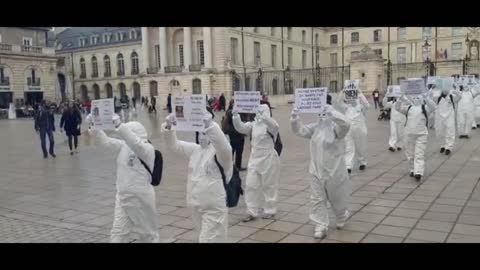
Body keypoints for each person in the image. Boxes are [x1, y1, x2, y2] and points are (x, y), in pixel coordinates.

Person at [161, 110, 233, 243]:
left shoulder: (220, 154)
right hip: (196, 204)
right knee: (204, 237)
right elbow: (175, 146)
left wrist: (210, 125)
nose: (202, 135)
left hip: (213, 207)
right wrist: (169, 127)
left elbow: (225, 148)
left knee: (210, 239)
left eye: (204, 132)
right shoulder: (196, 150)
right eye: (199, 132)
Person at [87, 114, 160, 243]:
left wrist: (120, 126)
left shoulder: (147, 150)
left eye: (128, 133)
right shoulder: (124, 146)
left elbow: (136, 144)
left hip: (140, 199)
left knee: (148, 234)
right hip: (123, 197)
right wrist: (94, 126)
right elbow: (107, 142)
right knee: (118, 233)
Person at [290, 95, 351, 239]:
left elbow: (346, 125)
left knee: (337, 198)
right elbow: (299, 130)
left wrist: (332, 113)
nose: (322, 114)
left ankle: (341, 215)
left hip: (334, 170)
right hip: (316, 170)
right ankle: (320, 224)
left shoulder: (336, 129)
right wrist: (295, 118)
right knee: (317, 198)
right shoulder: (315, 128)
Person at [232, 104, 280, 222]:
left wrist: (265, 117)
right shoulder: (252, 125)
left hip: (268, 158)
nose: (258, 113)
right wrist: (235, 116)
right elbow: (241, 128)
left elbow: (275, 126)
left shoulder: (270, 126)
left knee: (269, 185)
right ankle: (251, 211)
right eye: (258, 111)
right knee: (251, 185)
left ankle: (270, 209)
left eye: (261, 111)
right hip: (254, 158)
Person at [396, 93, 436, 181]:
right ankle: (412, 169)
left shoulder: (425, 108)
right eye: (414, 97)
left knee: (419, 154)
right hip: (409, 134)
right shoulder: (409, 108)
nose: (416, 99)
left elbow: (433, 107)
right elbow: (398, 108)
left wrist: (427, 97)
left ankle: (418, 172)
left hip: (421, 135)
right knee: (410, 154)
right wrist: (400, 98)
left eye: (418, 97)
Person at [336, 90, 369, 174]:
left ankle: (362, 162)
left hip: (360, 129)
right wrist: (342, 91)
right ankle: (348, 166)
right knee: (349, 147)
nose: (351, 99)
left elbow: (366, 105)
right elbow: (338, 102)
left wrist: (360, 93)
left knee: (361, 146)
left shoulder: (360, 107)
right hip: (349, 130)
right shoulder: (346, 107)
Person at [432, 81, 461, 155]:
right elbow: (430, 97)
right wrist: (433, 87)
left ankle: (449, 147)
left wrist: (454, 89)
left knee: (450, 131)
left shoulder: (452, 97)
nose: (445, 91)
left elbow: (459, 96)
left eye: (446, 89)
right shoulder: (437, 98)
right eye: (443, 89)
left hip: (449, 116)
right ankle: (442, 145)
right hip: (439, 117)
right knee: (440, 132)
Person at [224, 99, 246, 171]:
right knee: (232, 150)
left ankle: (238, 166)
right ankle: (230, 166)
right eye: (233, 104)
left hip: (240, 134)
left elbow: (244, 119)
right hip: (233, 134)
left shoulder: (241, 111)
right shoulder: (229, 112)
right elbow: (231, 116)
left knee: (240, 151)